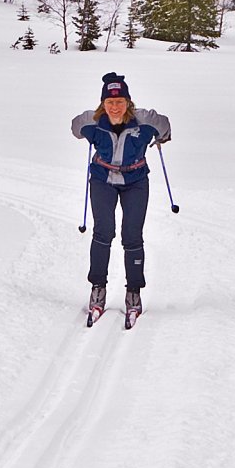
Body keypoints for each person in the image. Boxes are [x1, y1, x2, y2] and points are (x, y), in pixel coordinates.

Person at [71, 72, 172, 327]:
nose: (115, 107)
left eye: (120, 101)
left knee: (132, 235)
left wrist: (162, 137)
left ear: (128, 102)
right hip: (103, 179)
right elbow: (75, 128)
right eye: (109, 102)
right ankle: (98, 288)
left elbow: (165, 126)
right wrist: (86, 126)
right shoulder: (92, 122)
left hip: (135, 181)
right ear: (103, 103)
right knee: (103, 232)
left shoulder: (145, 120)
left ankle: (133, 293)